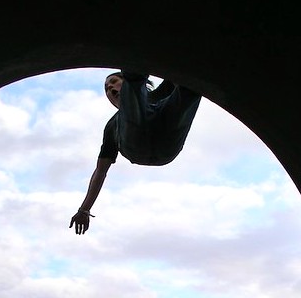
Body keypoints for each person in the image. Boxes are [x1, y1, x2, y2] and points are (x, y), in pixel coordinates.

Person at [70, 71, 202, 235]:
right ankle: (133, 75)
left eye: (113, 81)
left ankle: (135, 74)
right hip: (136, 145)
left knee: (189, 89)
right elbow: (100, 171)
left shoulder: (160, 94)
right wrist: (84, 209)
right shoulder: (112, 126)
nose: (110, 88)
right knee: (131, 101)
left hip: (166, 139)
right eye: (106, 89)